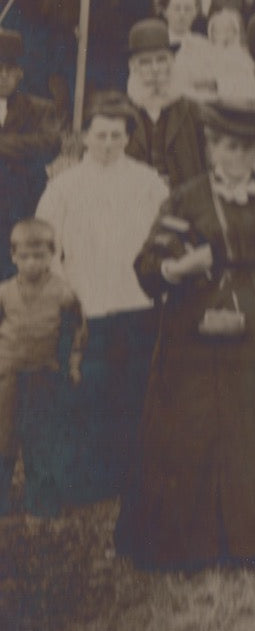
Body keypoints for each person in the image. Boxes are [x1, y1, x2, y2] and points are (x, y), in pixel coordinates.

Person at [115, 98, 255, 571]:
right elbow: (148, 269)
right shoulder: (187, 198)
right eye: (228, 147)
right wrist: (179, 266)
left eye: (247, 149)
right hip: (207, 326)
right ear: (211, 147)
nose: (237, 158)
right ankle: (204, 542)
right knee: (207, 426)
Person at [35, 91, 169, 502]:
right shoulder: (64, 185)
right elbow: (45, 242)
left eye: (116, 135)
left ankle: (129, 475)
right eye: (100, 135)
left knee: (132, 390)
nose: (108, 144)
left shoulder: (148, 182)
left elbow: (163, 239)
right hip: (87, 302)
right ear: (85, 137)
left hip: (136, 301)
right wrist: (66, 289)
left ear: (129, 137)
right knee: (90, 390)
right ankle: (89, 478)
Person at [0, 218, 86, 517]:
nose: (32, 264)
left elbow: (77, 330)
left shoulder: (63, 293)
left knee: (40, 437)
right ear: (13, 257)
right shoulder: (5, 292)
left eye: (39, 256)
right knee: (4, 434)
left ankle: (41, 498)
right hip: (8, 374)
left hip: (43, 374)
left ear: (52, 255)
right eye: (24, 257)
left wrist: (73, 363)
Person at [0, 28, 62, 279]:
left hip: (22, 204)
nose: (3, 76)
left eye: (10, 70)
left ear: (20, 74)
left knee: (19, 271)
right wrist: (18, 146)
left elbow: (48, 145)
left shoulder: (39, 109)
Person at [124, 18, 207, 190]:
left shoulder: (193, 109)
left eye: (161, 60)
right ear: (133, 66)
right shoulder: (123, 111)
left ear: (172, 62)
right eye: (145, 62)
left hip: (184, 200)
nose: (155, 68)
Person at [204, 8, 255, 100]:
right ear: (211, 33)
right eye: (218, 30)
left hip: (237, 99)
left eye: (228, 30)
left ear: (235, 33)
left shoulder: (241, 57)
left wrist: (219, 84)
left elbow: (247, 85)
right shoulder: (206, 54)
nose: (224, 34)